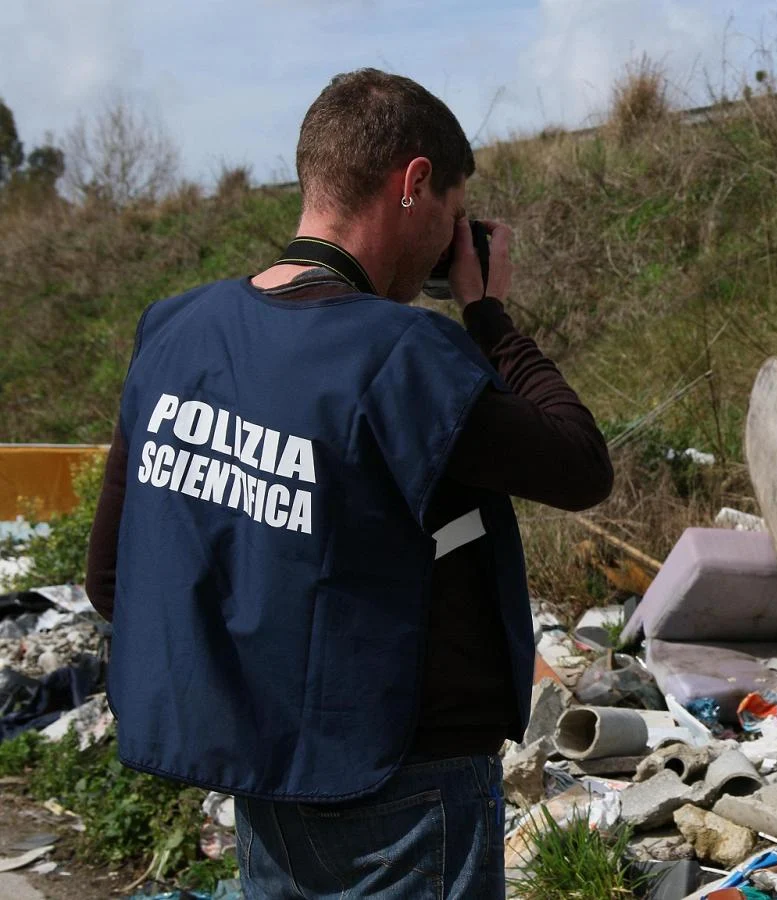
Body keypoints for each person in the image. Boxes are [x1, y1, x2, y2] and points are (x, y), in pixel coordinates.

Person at [83, 68, 613, 898]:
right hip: (403, 792)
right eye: (452, 212)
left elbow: (113, 581)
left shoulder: (175, 331)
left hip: (264, 780)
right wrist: (487, 314)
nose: (448, 238)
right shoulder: (402, 356)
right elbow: (580, 464)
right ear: (415, 183)